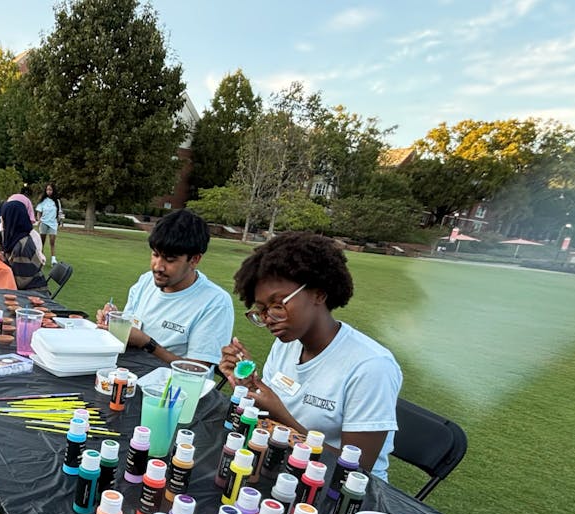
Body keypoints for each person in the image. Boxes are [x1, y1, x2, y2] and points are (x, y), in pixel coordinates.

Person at [218, 232, 403, 479]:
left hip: (342, 491)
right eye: (261, 310)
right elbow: (267, 420)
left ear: (319, 293)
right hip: (286, 468)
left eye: (277, 305)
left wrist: (281, 416)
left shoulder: (371, 367)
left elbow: (357, 469)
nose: (269, 319)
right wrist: (250, 387)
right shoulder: (288, 342)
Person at [95, 209, 233, 366]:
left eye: (170, 259)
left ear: (194, 259)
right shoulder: (146, 281)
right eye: (155, 255)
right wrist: (115, 322)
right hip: (128, 371)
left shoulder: (215, 302)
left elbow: (196, 370)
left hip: (172, 386)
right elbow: (130, 330)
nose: (158, 267)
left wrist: (147, 343)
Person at [0, 200, 48, 291]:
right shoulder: (17, 236)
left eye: (4, 216)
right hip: (28, 291)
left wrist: (3, 260)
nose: (2, 219)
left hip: (33, 295)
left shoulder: (22, 246)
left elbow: (20, 282)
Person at [35, 183, 64, 266]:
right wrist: (39, 220)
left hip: (53, 223)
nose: (49, 191)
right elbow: (39, 212)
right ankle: (41, 258)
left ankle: (53, 260)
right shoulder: (43, 201)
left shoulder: (57, 201)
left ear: (53, 190)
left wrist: (60, 221)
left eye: (50, 190)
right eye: (47, 190)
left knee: (52, 241)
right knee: (42, 242)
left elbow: (59, 212)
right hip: (44, 223)